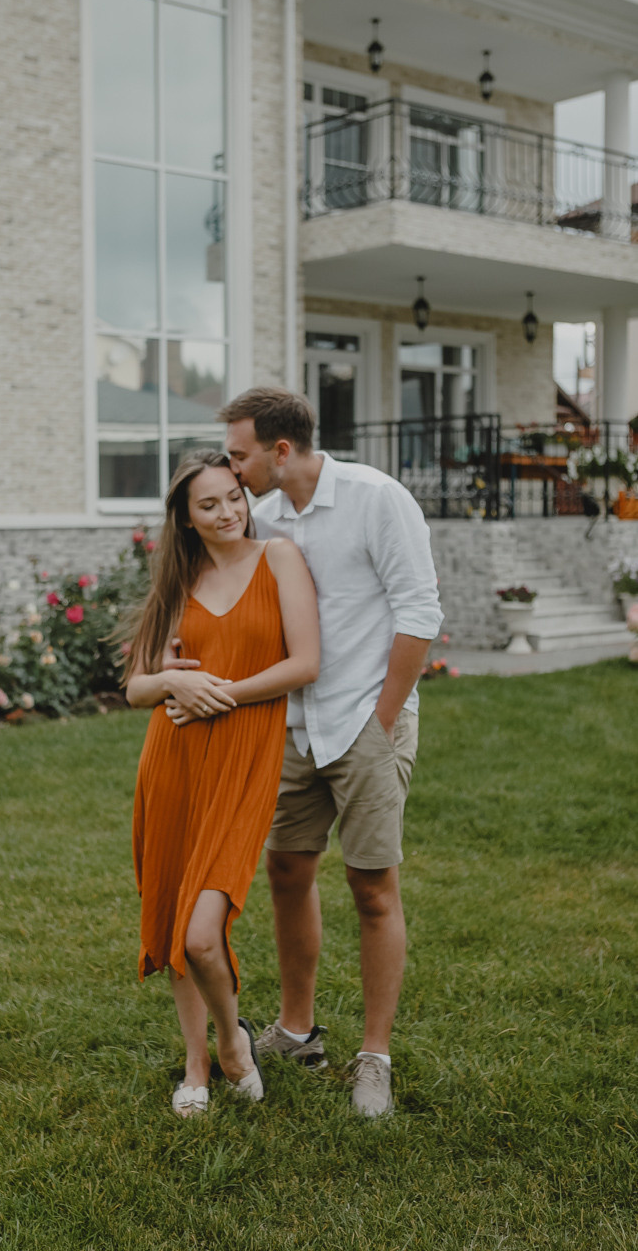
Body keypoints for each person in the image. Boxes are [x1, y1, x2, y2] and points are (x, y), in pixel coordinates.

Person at [214, 387, 444, 1118]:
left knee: (372, 887)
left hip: (364, 724)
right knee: (286, 870)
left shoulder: (377, 499)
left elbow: (418, 612)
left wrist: (382, 719)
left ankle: (373, 1057)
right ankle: (296, 1030)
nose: (230, 467)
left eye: (238, 453)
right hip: (292, 727)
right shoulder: (262, 517)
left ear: (281, 450)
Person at [125, 450, 320, 1118]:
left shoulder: (279, 560)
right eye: (208, 505)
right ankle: (196, 1066)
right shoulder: (180, 580)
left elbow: (305, 662)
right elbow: (136, 687)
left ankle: (233, 1042)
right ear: (184, 518)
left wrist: (221, 694)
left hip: (242, 760)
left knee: (202, 933)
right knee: (177, 927)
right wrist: (174, 681)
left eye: (233, 496)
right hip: (173, 761)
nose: (228, 512)